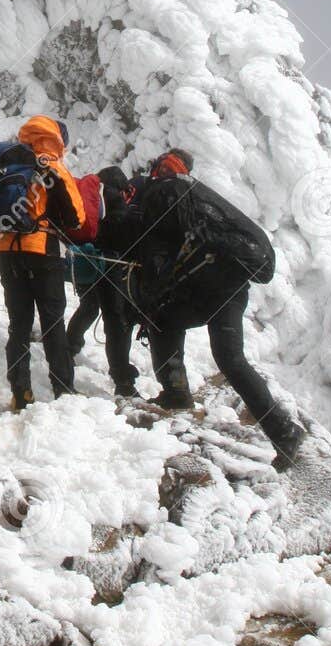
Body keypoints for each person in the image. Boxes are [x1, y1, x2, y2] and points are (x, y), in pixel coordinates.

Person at [127, 151, 306, 464]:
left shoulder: (165, 194)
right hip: (222, 290)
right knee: (169, 324)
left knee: (224, 355)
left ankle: (283, 430)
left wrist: (147, 290)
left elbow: (158, 255)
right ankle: (177, 394)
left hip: (213, 290)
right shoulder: (194, 199)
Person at [0, 117, 87, 410]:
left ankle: (21, 394)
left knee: (18, 325)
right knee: (52, 324)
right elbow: (76, 219)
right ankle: (64, 390)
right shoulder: (53, 165)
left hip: (6, 250)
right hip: (42, 250)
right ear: (60, 140)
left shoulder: (7, 161)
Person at [65, 166, 139, 397]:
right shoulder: (116, 198)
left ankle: (68, 348)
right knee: (115, 319)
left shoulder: (91, 197)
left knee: (88, 307)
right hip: (109, 264)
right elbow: (121, 236)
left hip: (86, 260)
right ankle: (122, 381)